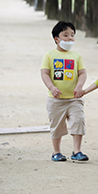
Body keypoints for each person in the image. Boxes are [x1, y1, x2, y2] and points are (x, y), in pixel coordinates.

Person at [40, 21, 89, 162]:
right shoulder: (49, 55)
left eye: (72, 35)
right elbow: (44, 73)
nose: (69, 38)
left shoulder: (76, 56)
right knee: (56, 126)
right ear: (57, 39)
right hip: (55, 100)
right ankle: (56, 152)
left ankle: (77, 151)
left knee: (78, 121)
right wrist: (51, 87)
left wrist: (79, 86)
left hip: (74, 98)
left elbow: (82, 73)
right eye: (66, 35)